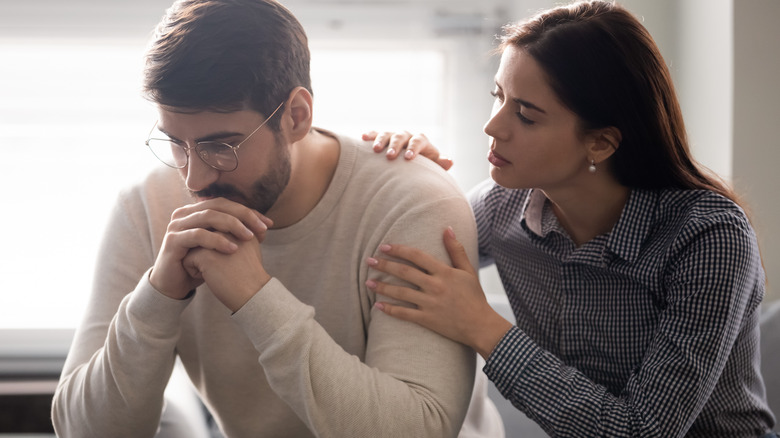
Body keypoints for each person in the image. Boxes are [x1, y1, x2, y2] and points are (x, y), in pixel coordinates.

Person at [50, 0, 503, 437]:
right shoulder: (145, 207)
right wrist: (158, 296)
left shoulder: (412, 203)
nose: (195, 177)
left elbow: (415, 431)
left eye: (221, 145)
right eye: (175, 143)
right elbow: (83, 431)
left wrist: (256, 299)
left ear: (296, 116)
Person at [365, 1, 777, 436]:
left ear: (600, 143)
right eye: (497, 97)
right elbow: (407, 251)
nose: (493, 127)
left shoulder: (709, 236)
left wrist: (481, 324)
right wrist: (416, 177)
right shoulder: (501, 207)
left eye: (525, 114)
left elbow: (641, 431)